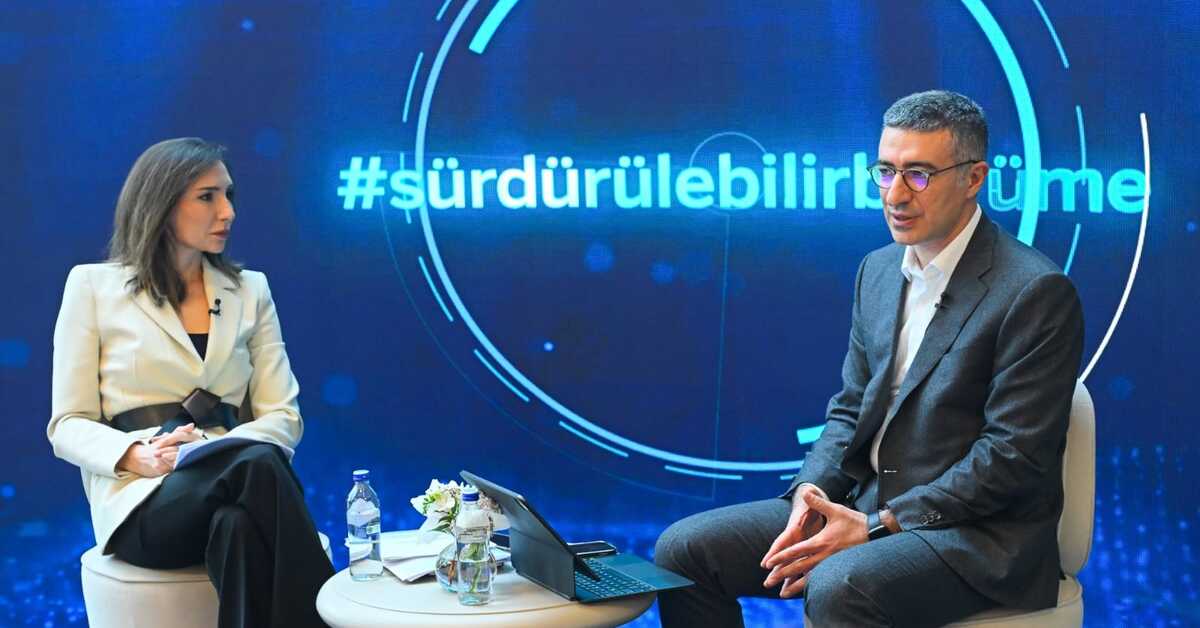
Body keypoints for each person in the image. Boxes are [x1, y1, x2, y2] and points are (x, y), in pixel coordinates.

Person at [654, 91, 1084, 627]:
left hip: (976, 536)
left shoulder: (1034, 290)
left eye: (919, 175)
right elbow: (850, 408)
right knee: (685, 552)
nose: (895, 195)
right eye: (885, 171)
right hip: (867, 504)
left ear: (974, 178)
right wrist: (812, 494)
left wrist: (879, 525)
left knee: (840, 585)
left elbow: (1011, 458)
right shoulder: (877, 271)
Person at [48, 138, 333, 627]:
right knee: (257, 464)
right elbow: (67, 424)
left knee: (238, 524)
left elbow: (284, 417)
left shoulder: (251, 290)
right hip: (142, 499)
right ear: (160, 202)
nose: (228, 211)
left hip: (236, 484)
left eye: (229, 195)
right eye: (207, 196)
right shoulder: (93, 287)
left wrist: (207, 451)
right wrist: (135, 455)